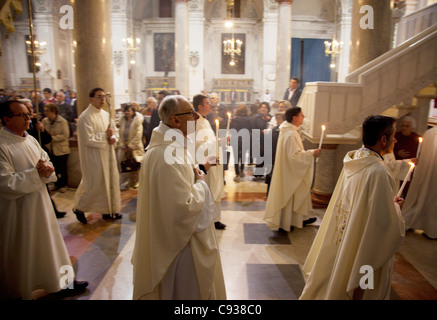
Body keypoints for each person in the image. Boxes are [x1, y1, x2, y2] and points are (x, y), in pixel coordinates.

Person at [299, 115, 405, 300]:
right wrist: (395, 209)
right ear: (383, 139)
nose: (395, 140)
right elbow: (381, 227)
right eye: (394, 135)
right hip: (366, 245)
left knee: (346, 267)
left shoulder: (354, 160)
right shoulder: (379, 172)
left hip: (347, 232)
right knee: (367, 269)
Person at [132, 95, 226, 300]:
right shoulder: (167, 154)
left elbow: (180, 183)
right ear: (175, 120)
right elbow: (183, 208)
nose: (196, 117)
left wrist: (202, 168)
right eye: (191, 113)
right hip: (178, 249)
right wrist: (201, 183)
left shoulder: (170, 147)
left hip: (174, 241)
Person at [0, 100, 88, 299]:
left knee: (50, 244)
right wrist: (36, 174)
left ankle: (62, 283)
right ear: (6, 119)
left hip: (41, 203)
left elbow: (45, 160)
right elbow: (5, 182)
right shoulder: (2, 145)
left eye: (28, 114)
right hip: (20, 210)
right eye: (21, 115)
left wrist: (47, 170)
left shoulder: (30, 139)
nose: (28, 118)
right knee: (25, 249)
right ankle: (21, 289)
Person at [263, 107, 319, 231]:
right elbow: (294, 157)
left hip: (288, 171)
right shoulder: (290, 134)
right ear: (294, 118)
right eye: (301, 115)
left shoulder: (289, 131)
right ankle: (287, 221)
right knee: (290, 194)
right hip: (289, 172)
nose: (303, 117)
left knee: (295, 193)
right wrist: (311, 153)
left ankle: (299, 219)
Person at [72, 88, 121, 224]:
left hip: (107, 155)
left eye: (104, 97)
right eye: (99, 97)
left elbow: (114, 132)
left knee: (110, 182)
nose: (102, 100)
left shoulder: (106, 114)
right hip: (93, 158)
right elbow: (87, 139)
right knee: (94, 185)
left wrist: (114, 138)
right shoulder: (85, 117)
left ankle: (108, 211)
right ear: (91, 99)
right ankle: (79, 208)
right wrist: (105, 136)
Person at [193, 94, 227, 230]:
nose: (210, 105)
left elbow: (209, 140)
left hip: (212, 160)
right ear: (200, 106)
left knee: (214, 188)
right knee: (208, 189)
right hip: (204, 162)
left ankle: (215, 218)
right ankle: (209, 219)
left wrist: (219, 142)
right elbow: (196, 145)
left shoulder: (204, 121)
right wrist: (217, 142)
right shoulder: (194, 122)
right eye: (207, 103)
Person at [402, 125, 437, 239]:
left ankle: (431, 229)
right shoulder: (432, 133)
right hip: (432, 173)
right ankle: (431, 229)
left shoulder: (430, 133)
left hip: (429, 172)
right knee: (430, 199)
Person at [42, 103, 71, 193]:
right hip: (50, 149)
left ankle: (63, 185)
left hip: (61, 149)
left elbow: (65, 135)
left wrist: (52, 137)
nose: (45, 112)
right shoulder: (44, 121)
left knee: (62, 168)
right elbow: (44, 134)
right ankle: (56, 184)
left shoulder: (62, 121)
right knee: (54, 168)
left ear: (53, 111)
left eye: (47, 111)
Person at [117, 104, 144, 189]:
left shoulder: (137, 121)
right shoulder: (122, 121)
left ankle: (138, 181)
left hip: (134, 146)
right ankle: (131, 181)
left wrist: (131, 146)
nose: (127, 112)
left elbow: (138, 134)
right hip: (125, 146)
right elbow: (120, 134)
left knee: (136, 164)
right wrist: (122, 145)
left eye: (128, 110)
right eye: (125, 111)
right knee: (128, 164)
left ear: (133, 111)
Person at [230, 104, 252, 182]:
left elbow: (230, 128)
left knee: (236, 156)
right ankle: (242, 170)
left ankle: (237, 173)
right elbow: (250, 129)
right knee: (243, 155)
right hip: (245, 139)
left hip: (235, 139)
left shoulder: (234, 118)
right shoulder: (248, 119)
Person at [265, 111, 285, 195]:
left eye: (279, 119)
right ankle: (269, 194)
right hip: (272, 156)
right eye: (276, 119)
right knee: (270, 175)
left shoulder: (284, 131)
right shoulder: (274, 129)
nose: (277, 120)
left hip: (279, 156)